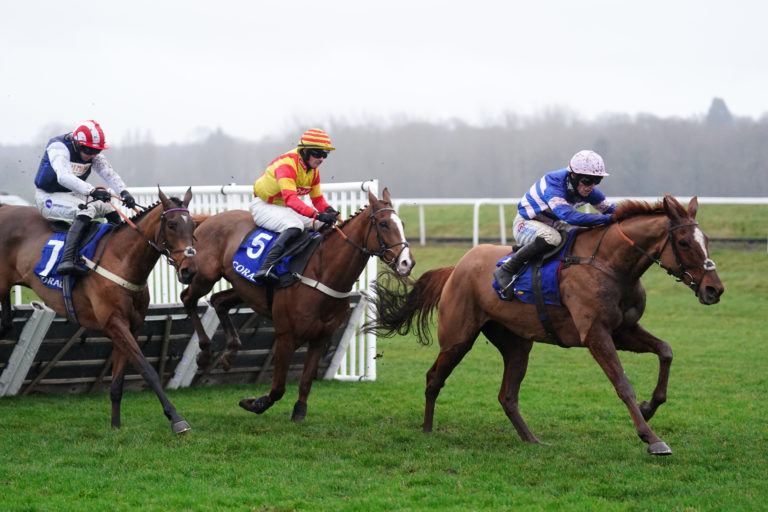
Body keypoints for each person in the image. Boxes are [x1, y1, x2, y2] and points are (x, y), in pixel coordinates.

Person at [493, 149, 616, 295]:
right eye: (587, 181)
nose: (591, 186)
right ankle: (506, 270)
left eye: (597, 181)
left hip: (552, 224)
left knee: (582, 235)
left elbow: (612, 210)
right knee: (552, 238)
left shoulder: (589, 191)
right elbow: (569, 216)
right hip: (525, 223)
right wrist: (607, 219)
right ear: (573, 176)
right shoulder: (554, 182)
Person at [34, 120, 136, 277]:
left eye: (97, 151)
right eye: (89, 150)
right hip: (48, 197)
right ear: (77, 144)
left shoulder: (92, 154)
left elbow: (109, 173)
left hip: (72, 195)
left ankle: (121, 250)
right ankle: (67, 260)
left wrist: (124, 193)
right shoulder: (58, 147)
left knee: (108, 207)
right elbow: (63, 177)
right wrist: (93, 191)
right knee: (87, 209)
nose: (93, 155)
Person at [250, 128, 340, 282]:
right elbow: (291, 200)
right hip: (264, 205)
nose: (322, 159)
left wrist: (329, 211)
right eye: (318, 154)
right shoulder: (287, 165)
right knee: (295, 225)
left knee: (321, 224)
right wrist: (317, 214)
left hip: (284, 207)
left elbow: (317, 199)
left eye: (325, 154)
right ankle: (266, 267)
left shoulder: (312, 170)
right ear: (304, 151)